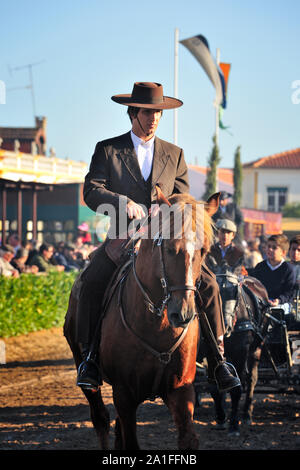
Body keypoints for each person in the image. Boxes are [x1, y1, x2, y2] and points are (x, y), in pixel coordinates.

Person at [74, 81, 240, 393]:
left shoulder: (174, 154)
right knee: (91, 282)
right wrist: (126, 205)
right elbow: (91, 190)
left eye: (158, 113)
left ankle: (219, 359)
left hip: (169, 237)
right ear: (132, 112)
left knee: (209, 283)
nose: (154, 118)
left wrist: (168, 212)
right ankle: (90, 358)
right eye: (148, 112)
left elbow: (182, 198)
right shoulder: (108, 149)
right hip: (123, 235)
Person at [252, 234, 295, 309]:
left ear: (283, 252)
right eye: (269, 246)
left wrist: (278, 300)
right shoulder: (260, 266)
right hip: (261, 302)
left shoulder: (288, 269)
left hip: (281, 304)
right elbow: (253, 286)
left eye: (274, 248)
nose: (270, 249)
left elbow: (289, 292)